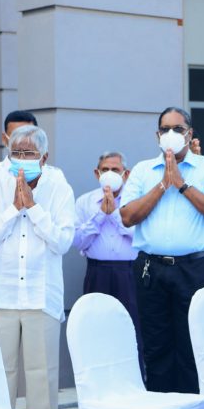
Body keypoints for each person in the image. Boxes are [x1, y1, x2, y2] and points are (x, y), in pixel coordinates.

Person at [120, 107, 204, 394]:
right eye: (165, 129)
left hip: (195, 269)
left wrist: (181, 184)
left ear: (189, 134)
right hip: (151, 270)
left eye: (178, 129)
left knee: (193, 347)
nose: (171, 134)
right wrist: (162, 184)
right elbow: (127, 216)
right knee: (156, 348)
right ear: (157, 135)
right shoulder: (143, 170)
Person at [0, 125, 76, 409]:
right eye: (16, 153)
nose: (21, 159)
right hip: (1, 296)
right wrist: (12, 210)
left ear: (44, 157)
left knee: (42, 376)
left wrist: (33, 208)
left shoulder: (60, 188)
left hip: (41, 296)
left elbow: (63, 242)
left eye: (29, 153)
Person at [73, 151, 143, 374]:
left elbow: (140, 237)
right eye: (105, 169)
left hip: (129, 273)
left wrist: (113, 215)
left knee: (131, 328)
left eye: (115, 169)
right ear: (97, 173)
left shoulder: (136, 201)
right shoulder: (84, 202)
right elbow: (78, 241)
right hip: (97, 272)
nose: (110, 174)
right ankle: (97, 379)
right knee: (96, 328)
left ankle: (133, 378)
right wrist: (100, 215)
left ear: (126, 174)